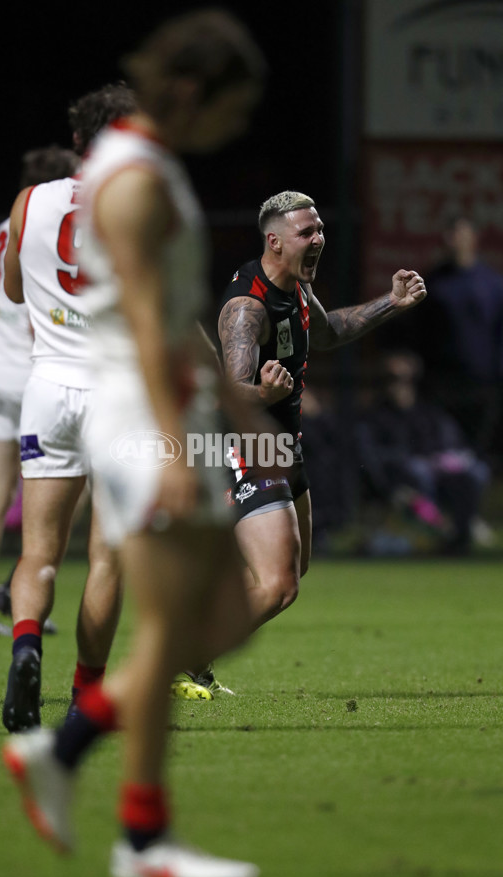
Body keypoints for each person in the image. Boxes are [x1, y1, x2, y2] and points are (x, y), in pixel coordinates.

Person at [2, 9, 267, 877]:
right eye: (232, 109)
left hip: (134, 410)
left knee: (210, 617)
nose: (234, 128)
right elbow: (152, 324)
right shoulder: (135, 177)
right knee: (189, 620)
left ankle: (71, 762)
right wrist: (180, 450)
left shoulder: (136, 168)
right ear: (191, 90)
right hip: (134, 420)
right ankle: (136, 828)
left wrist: (237, 403)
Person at [213, 191, 427, 633]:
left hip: (284, 447)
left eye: (321, 229)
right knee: (279, 585)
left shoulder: (297, 288)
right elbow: (229, 395)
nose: (319, 238)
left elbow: (328, 333)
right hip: (251, 448)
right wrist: (264, 395)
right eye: (306, 232)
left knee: (295, 569)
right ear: (274, 241)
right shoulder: (247, 308)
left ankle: (202, 609)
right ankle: (183, 659)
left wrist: (391, 302)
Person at [1, 83, 137, 733]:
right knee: (107, 557)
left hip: (49, 388)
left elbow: (13, 288)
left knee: (38, 553)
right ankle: (87, 694)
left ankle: (26, 643)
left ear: (78, 143)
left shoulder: (30, 202)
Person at [0, 145, 79, 637]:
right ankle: (21, 586)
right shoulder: (48, 225)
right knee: (71, 486)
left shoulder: (2, 230)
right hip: (34, 374)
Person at [355, 350, 491, 555]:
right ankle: (436, 531)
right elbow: (371, 458)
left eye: (405, 378)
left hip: (442, 476)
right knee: (418, 470)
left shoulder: (430, 413)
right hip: (403, 480)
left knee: (477, 471)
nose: (399, 385)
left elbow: (453, 443)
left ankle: (463, 533)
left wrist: (446, 459)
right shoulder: (374, 418)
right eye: (391, 379)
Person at [418, 217, 503, 459]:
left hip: (484, 383)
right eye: (450, 234)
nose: (454, 240)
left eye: (460, 234)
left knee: (478, 451)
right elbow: (422, 331)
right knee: (445, 450)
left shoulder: (493, 284)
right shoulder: (434, 283)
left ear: (473, 239)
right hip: (443, 383)